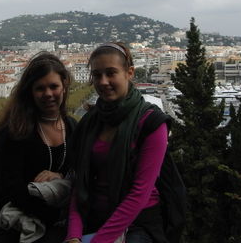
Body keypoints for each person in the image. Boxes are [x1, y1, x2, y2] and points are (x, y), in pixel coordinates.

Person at [66, 42, 169, 243]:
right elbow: (80, 184)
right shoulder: (90, 121)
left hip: (138, 224)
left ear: (129, 73)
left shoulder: (152, 124)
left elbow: (139, 193)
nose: (103, 81)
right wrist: (73, 235)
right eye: (97, 75)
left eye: (111, 73)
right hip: (93, 216)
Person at [0, 52, 77, 243]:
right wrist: (56, 215)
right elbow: (10, 186)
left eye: (53, 86)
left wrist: (60, 177)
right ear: (30, 91)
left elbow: (77, 174)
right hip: (17, 227)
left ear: (64, 86)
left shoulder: (71, 127)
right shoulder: (16, 129)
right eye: (40, 88)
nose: (48, 94)